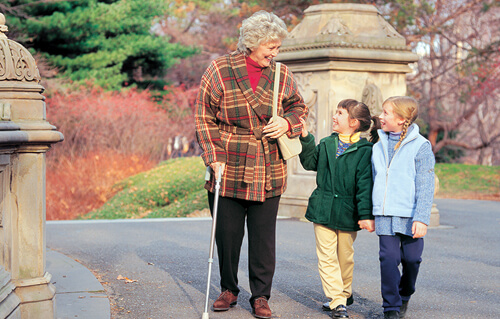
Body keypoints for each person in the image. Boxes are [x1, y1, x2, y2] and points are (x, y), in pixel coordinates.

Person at [194, 10, 308, 319]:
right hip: (228, 161)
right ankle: (229, 288)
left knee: (263, 237)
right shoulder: (218, 69)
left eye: (277, 47)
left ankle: (261, 296)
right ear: (252, 43)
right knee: (227, 236)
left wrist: (287, 123)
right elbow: (204, 116)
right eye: (270, 46)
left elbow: (299, 107)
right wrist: (213, 156)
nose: (275, 52)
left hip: (268, 164)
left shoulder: (282, 73)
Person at [298, 99, 378, 319]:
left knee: (345, 257)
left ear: (353, 122)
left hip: (348, 211)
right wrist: (306, 137)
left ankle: (343, 293)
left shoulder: (365, 150)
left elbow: (365, 186)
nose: (334, 116)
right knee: (326, 257)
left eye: (340, 113)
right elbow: (309, 163)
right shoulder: (326, 144)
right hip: (322, 208)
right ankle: (337, 301)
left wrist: (365, 215)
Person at [371, 96, 435, 319]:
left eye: (386, 112)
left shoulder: (421, 146)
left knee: (412, 260)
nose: (381, 116)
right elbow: (371, 179)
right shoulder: (377, 144)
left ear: (400, 119)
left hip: (410, 215)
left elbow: (426, 185)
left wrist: (422, 218)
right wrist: (369, 212)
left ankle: (405, 293)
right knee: (388, 258)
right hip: (385, 213)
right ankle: (391, 307)